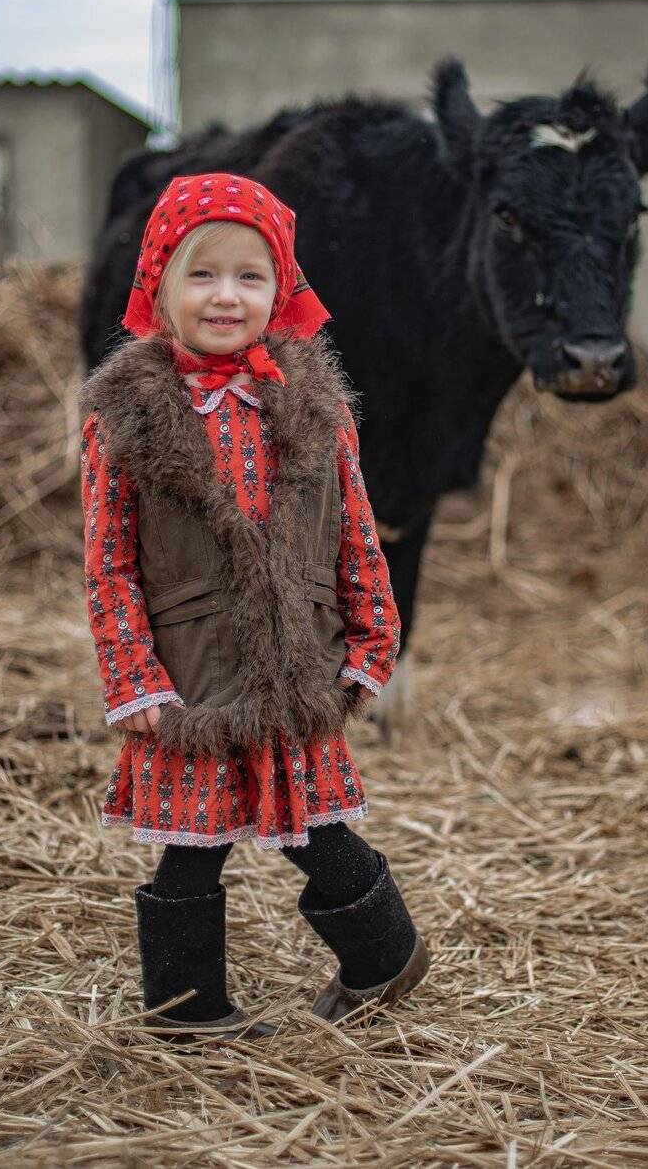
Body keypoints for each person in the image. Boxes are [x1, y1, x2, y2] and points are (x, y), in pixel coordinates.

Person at [79, 172, 429, 1040]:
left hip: (299, 658)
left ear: (281, 290)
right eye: (201, 275)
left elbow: (355, 535)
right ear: (159, 286)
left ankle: (383, 957)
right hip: (191, 672)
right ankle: (189, 1005)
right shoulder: (124, 418)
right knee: (191, 840)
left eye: (249, 276)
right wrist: (133, 676)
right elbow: (109, 564)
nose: (225, 296)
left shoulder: (315, 407)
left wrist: (371, 644)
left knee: (313, 826)